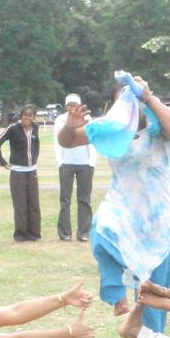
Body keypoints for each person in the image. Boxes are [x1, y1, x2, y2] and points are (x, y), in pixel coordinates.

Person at [58, 75, 170, 338]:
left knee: (153, 307)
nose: (128, 105)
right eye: (122, 99)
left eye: (132, 99)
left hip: (157, 222)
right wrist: (71, 124)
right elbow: (68, 140)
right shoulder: (109, 128)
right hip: (123, 209)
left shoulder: (159, 125)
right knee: (101, 232)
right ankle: (117, 295)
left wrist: (148, 97)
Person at [0, 106, 41, 243]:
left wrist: (35, 158)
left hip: (32, 171)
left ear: (34, 116)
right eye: (24, 115)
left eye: (30, 115)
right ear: (20, 116)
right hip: (18, 172)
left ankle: (34, 233)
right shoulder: (13, 128)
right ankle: (21, 234)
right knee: (20, 204)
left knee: (34, 204)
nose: (27, 117)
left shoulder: (35, 128)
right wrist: (2, 162)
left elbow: (36, 144)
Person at [53, 94, 97, 242]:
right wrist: (60, 162)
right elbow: (56, 142)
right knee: (65, 200)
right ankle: (65, 233)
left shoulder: (87, 119)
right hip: (67, 163)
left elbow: (93, 141)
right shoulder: (60, 120)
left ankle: (83, 232)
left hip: (85, 163)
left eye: (74, 105)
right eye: (69, 105)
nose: (71, 107)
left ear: (79, 106)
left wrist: (92, 163)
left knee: (84, 200)